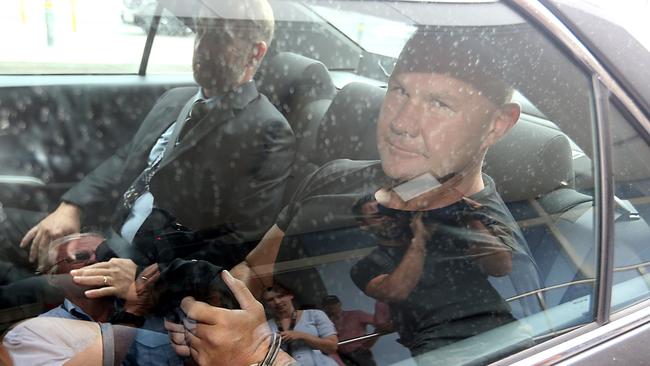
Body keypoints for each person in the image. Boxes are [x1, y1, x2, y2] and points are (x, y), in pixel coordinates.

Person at [168, 25, 543, 364]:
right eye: (399, 91)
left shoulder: (494, 266)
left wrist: (257, 358)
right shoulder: (336, 177)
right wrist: (205, 317)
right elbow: (254, 270)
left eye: (439, 104)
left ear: (497, 124)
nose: (401, 123)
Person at [0, 0, 294, 306]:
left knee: (12, 297)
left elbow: (238, 242)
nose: (202, 46)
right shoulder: (176, 100)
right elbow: (125, 159)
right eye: (201, 31)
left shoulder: (267, 131)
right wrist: (71, 206)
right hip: (104, 234)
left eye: (220, 37)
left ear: (255, 53)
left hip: (139, 267)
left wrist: (148, 280)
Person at [2, 233, 176, 365]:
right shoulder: (33, 333)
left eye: (104, 255)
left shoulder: (160, 306)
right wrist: (132, 314)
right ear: (53, 277)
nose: (95, 261)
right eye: (80, 257)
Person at [262, 284, 339, 365]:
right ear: (266, 304)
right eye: (270, 300)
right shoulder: (266, 327)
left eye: (280, 296)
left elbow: (332, 347)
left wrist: (301, 336)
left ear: (290, 295)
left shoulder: (315, 315)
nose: (277, 302)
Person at [321, 295, 377, 366]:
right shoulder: (324, 324)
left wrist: (370, 343)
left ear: (339, 303)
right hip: (341, 357)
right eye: (327, 305)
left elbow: (380, 324)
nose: (331, 306)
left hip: (361, 353)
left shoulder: (356, 314)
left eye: (333, 303)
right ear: (324, 308)